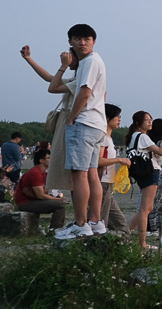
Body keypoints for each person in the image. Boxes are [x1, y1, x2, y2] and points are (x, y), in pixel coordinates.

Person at [55, 24, 107, 240]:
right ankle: (96, 222)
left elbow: (85, 92)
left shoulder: (89, 62)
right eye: (77, 38)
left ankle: (80, 224)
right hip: (97, 125)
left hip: (84, 123)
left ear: (93, 41)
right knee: (92, 174)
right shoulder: (96, 61)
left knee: (80, 174)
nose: (82, 42)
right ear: (70, 41)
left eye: (86, 38)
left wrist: (72, 116)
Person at [21, 45, 78, 194]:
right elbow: (49, 78)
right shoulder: (75, 78)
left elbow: (52, 87)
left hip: (70, 121)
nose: (67, 57)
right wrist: (28, 59)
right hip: (68, 121)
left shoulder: (80, 79)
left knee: (75, 171)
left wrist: (63, 65)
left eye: (71, 55)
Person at [123, 111, 162, 248]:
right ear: (138, 123)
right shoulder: (143, 137)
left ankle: (127, 231)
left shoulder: (134, 136)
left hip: (143, 173)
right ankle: (142, 243)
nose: (150, 122)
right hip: (150, 172)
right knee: (145, 209)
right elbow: (161, 151)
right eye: (147, 120)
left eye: (151, 119)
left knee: (148, 208)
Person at [14, 148, 66, 230]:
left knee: (59, 202)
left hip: (32, 200)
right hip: (25, 203)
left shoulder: (43, 173)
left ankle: (56, 229)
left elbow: (44, 191)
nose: (51, 160)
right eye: (49, 158)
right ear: (41, 160)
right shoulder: (35, 173)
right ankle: (55, 230)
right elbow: (40, 195)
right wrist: (56, 199)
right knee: (60, 206)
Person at [97, 103, 131, 232]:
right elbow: (98, 161)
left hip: (108, 183)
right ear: (107, 118)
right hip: (102, 182)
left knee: (121, 224)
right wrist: (119, 159)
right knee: (101, 220)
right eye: (117, 116)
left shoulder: (109, 138)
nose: (120, 119)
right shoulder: (102, 137)